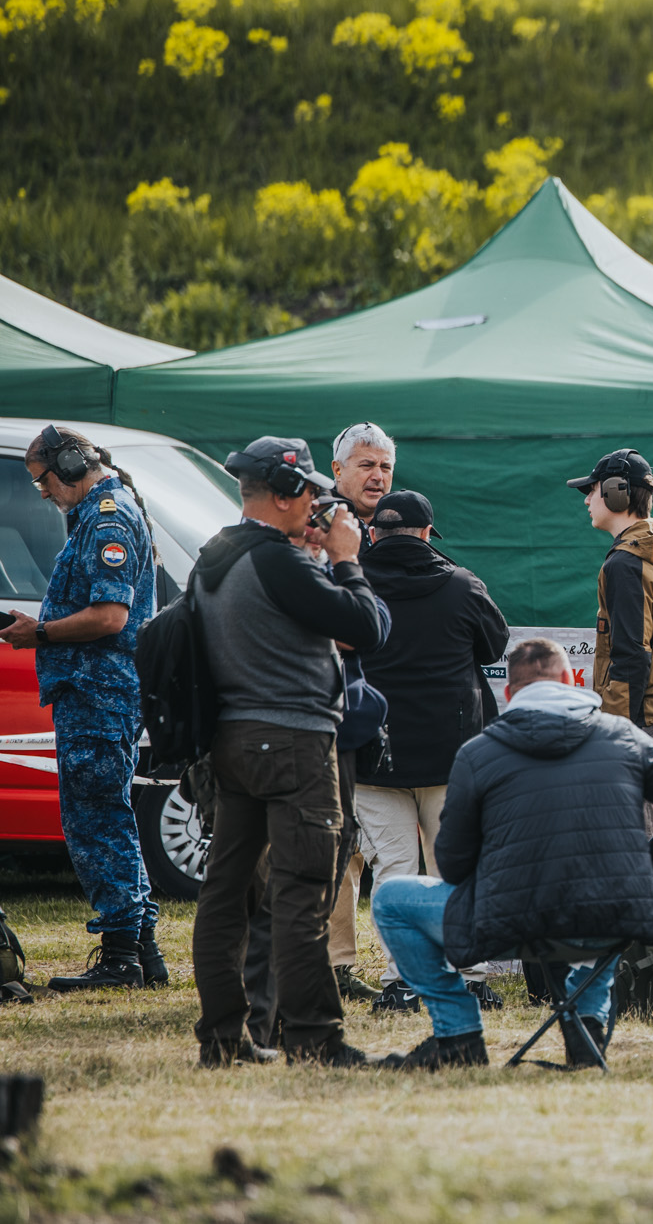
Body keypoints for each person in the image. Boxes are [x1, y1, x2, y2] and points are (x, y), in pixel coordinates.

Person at [372, 637, 653, 1071]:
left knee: (389, 900)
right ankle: (585, 1032)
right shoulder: (622, 736)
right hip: (612, 914)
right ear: (572, 680)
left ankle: (458, 1033)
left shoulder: (477, 753)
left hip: (510, 922)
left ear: (509, 694)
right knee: (601, 916)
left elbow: (455, 866)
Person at [189, 436, 387, 1067]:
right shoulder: (279, 560)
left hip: (232, 741)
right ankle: (315, 1037)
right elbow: (368, 626)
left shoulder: (212, 556)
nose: (314, 509)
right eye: (306, 495)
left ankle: (223, 1039)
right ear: (280, 493)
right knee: (303, 891)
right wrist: (348, 560)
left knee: (226, 896)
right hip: (295, 743)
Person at [0, 427, 165, 991]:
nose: (42, 493)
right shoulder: (103, 513)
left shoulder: (108, 521)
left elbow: (110, 616)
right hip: (98, 691)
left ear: (69, 466)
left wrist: (38, 633)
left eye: (42, 479)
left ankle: (121, 957)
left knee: (95, 821)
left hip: (99, 692)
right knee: (111, 815)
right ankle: (142, 949)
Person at [354, 489, 510, 1013]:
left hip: (375, 753)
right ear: (425, 534)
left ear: (373, 533)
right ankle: (469, 976)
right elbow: (494, 647)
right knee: (455, 866)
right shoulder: (463, 584)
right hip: (454, 753)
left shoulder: (350, 583)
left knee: (394, 869)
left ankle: (402, 981)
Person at [569, 449, 653, 893]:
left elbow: (630, 656)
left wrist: (618, 732)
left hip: (646, 721)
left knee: (650, 847)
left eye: (592, 489)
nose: (586, 498)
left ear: (616, 493)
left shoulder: (625, 564)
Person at [331, 422, 396, 523]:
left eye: (385, 467)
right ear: (338, 470)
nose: (378, 477)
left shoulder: (402, 523)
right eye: (367, 466)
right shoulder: (311, 523)